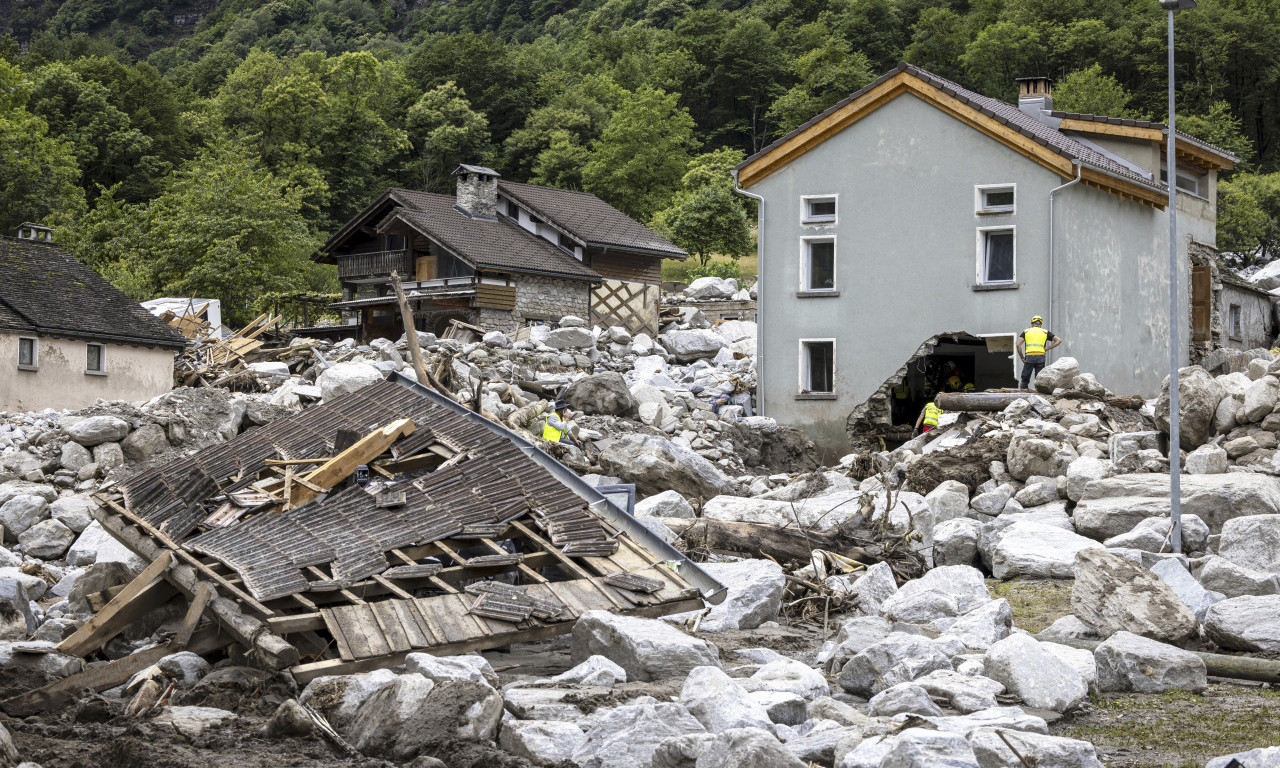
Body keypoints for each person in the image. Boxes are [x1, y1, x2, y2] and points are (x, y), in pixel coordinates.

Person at [1017, 315, 1063, 390]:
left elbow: (1018, 345)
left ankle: (1023, 390)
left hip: (1029, 356)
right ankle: (1039, 392)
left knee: (1025, 376)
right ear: (1041, 324)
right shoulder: (1045, 332)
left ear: (1032, 323)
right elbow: (1058, 340)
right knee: (1039, 377)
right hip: (1040, 356)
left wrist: (1022, 357)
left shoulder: (1026, 331)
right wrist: (1047, 348)